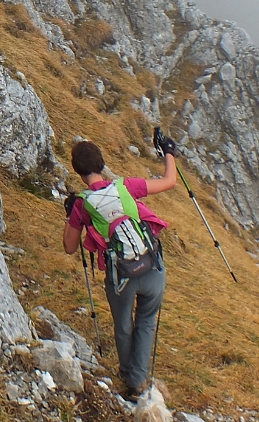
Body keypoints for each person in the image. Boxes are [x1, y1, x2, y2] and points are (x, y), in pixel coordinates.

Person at [63, 136, 178, 400]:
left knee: (124, 325)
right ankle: (136, 382)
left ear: (78, 172)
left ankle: (128, 379)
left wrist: (70, 213)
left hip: (121, 278)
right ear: (102, 164)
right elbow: (169, 181)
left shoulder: (82, 203)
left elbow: (70, 246)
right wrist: (169, 152)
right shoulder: (125, 186)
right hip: (152, 268)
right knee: (146, 321)